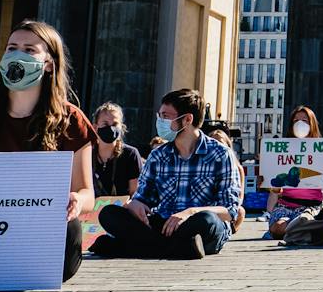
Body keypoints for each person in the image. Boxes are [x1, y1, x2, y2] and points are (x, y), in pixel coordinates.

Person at [0, 20, 94, 282]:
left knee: (70, 231)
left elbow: (87, 193)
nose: (17, 55)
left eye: (29, 50)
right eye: (11, 48)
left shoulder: (71, 119)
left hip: (40, 227)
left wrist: (77, 201)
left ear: (49, 63)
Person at [93, 89, 241, 259]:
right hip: (163, 225)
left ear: (187, 119)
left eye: (165, 116)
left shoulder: (220, 154)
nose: (160, 121)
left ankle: (131, 247)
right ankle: (182, 248)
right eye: (159, 115)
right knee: (109, 214)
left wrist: (190, 212)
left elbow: (230, 210)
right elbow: (143, 198)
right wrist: (136, 205)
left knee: (207, 220)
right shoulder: (158, 155)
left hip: (197, 224)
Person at [264, 104, 323, 238]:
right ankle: (301, 231)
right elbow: (274, 193)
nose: (300, 124)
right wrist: (274, 187)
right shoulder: (283, 148)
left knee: (303, 221)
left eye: (304, 120)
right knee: (278, 228)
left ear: (312, 124)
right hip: (286, 205)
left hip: (312, 206)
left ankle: (300, 229)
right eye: (296, 121)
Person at [90, 102, 143, 197]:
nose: (110, 128)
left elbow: (135, 194)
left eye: (115, 124)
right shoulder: (87, 155)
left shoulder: (130, 154)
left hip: (121, 210)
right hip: (91, 210)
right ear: (95, 127)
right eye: (105, 124)